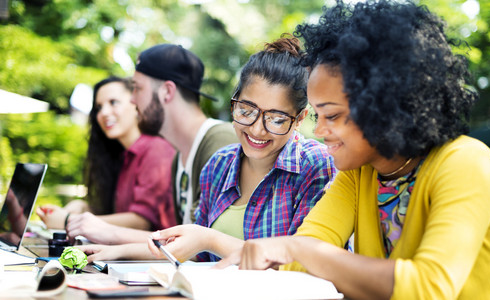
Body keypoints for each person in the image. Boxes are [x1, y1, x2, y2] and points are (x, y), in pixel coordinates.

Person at [218, 1, 490, 299]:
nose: (321, 131)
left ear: (385, 107)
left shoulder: (467, 163)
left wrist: (300, 250)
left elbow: (428, 288)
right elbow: (298, 262)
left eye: (333, 115)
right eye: (317, 116)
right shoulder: (358, 174)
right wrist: (295, 251)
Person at [79, 36, 335, 263]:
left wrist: (211, 239)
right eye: (246, 111)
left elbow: (302, 264)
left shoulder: (314, 164)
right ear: (234, 101)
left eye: (277, 119)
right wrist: (117, 251)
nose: (257, 130)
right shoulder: (219, 164)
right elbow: (193, 251)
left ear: (300, 118)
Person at [73, 44, 237, 246]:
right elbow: (182, 247)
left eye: (138, 88)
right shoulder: (180, 157)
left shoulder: (220, 142)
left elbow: (201, 248)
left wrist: (110, 233)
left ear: (167, 92)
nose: (132, 100)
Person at [37, 77, 177, 242]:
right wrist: (84, 208)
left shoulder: (156, 149)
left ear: (136, 103)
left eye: (114, 102)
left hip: (155, 262)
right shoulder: (121, 155)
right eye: (98, 107)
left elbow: (142, 221)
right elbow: (119, 214)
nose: (104, 113)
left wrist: (70, 221)